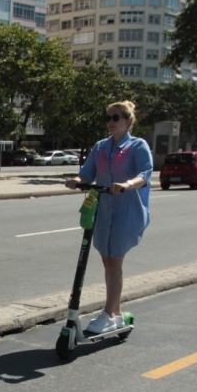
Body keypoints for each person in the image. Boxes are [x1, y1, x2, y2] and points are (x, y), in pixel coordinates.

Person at [64, 100, 153, 334]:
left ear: (128, 121)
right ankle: (115, 314)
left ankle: (107, 314)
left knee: (114, 261)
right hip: (103, 211)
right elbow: (87, 172)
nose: (110, 122)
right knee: (108, 261)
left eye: (116, 118)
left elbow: (145, 174)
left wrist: (127, 184)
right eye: (108, 118)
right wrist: (78, 180)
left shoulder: (137, 146)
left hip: (127, 212)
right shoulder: (101, 147)